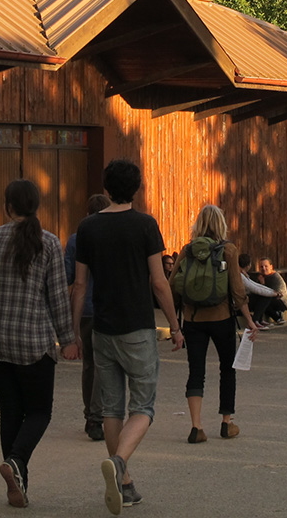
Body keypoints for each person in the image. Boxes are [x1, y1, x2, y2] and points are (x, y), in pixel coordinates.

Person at [0, 179, 79, 509]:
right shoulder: (48, 244)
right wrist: (68, 339)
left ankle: (18, 479)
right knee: (39, 412)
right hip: (33, 343)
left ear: (8, 207)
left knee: (10, 409)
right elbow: (57, 299)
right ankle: (17, 463)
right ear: (37, 205)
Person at [71, 159, 184, 515]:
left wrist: (73, 331)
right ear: (136, 188)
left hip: (102, 328)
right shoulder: (146, 225)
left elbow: (79, 284)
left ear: (105, 187)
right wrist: (176, 325)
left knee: (111, 407)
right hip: (137, 327)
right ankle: (119, 463)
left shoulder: (87, 228)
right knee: (144, 405)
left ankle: (125, 484)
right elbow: (158, 281)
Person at [167, 205, 259, 444]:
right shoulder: (228, 249)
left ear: (198, 224)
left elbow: (172, 286)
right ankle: (226, 423)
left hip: (193, 320)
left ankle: (196, 426)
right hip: (222, 319)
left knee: (196, 372)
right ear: (220, 224)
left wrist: (174, 323)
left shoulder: (187, 250)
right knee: (227, 369)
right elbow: (238, 291)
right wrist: (249, 320)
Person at [66, 193, 111, 441]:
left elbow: (68, 276)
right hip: (104, 307)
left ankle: (89, 415)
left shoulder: (75, 239)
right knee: (103, 365)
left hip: (83, 309)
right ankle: (96, 417)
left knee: (89, 365)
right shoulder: (110, 237)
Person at [238, 253, 280, 327]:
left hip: (243, 301)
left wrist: (272, 292)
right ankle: (255, 320)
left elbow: (255, 285)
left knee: (264, 295)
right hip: (238, 305)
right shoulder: (240, 276)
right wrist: (273, 293)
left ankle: (260, 320)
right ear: (248, 265)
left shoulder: (244, 274)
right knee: (264, 297)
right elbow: (254, 288)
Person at [256, 258, 287, 325]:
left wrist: (262, 284)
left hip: (280, 301)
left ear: (271, 267)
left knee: (264, 301)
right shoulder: (261, 277)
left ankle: (277, 317)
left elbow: (274, 293)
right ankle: (261, 320)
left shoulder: (275, 277)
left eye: (266, 266)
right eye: (261, 267)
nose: (264, 268)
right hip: (271, 299)